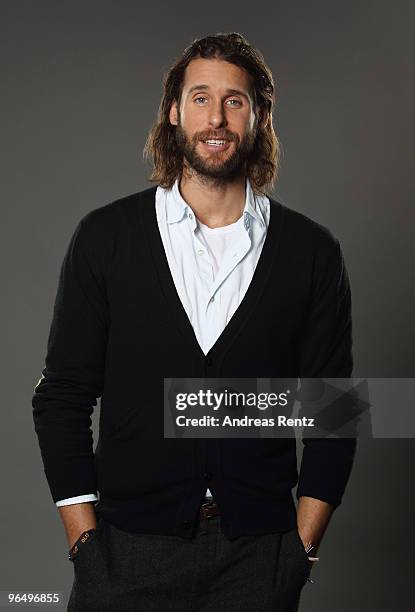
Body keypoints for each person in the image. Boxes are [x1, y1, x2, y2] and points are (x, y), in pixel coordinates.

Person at [32, 32, 356, 612]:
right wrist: (84, 542)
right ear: (175, 111)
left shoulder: (311, 252)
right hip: (127, 551)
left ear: (259, 116)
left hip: (257, 557)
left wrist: (300, 549)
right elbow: (62, 396)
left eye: (235, 100)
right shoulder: (107, 238)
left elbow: (335, 408)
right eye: (201, 96)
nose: (217, 117)